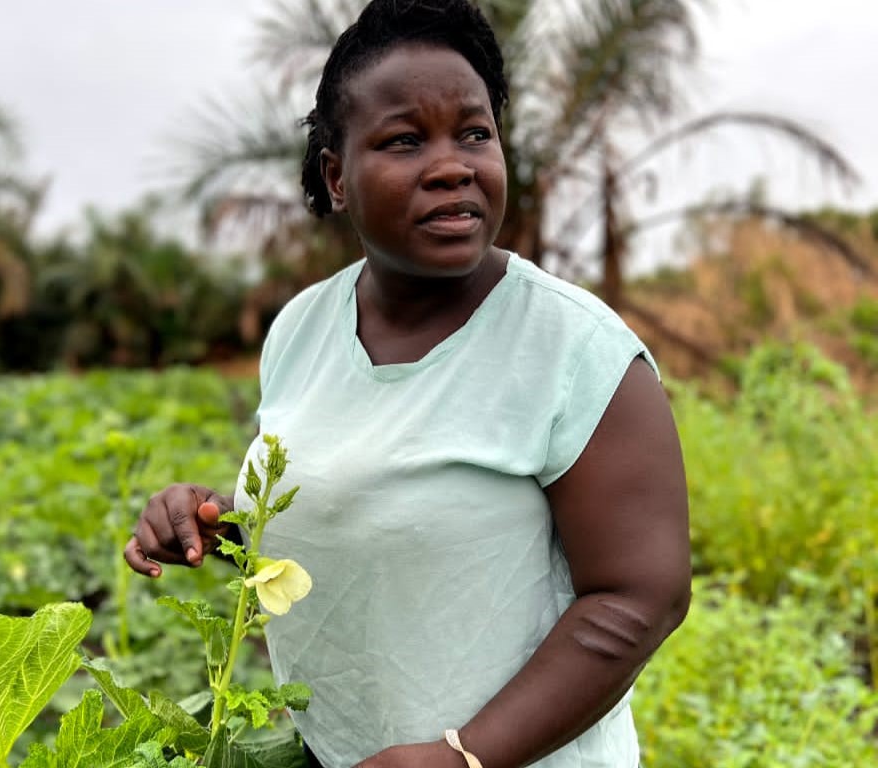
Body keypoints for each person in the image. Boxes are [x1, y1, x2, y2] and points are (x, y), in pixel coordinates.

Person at [125, 1, 692, 766]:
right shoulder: (301, 328)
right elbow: (348, 510)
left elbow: (640, 597)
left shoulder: (575, 350)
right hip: (339, 750)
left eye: (474, 133)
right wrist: (215, 521)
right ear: (337, 178)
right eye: (403, 140)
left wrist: (462, 755)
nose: (453, 163)